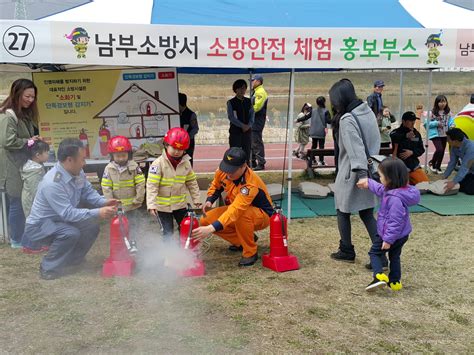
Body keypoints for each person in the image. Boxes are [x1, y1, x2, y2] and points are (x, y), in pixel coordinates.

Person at [22, 138, 118, 280]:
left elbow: (88, 192)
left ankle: (71, 261)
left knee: (91, 227)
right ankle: (48, 267)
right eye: (82, 159)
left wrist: (104, 202)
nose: (84, 163)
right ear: (69, 160)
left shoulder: (78, 173)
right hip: (39, 225)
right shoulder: (52, 183)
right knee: (70, 233)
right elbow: (68, 214)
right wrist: (98, 212)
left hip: (59, 220)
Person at [328, 79, 383, 267]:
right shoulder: (367, 110)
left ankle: (346, 249)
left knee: (342, 210)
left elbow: (355, 148)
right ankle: (381, 254)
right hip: (371, 168)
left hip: (352, 170)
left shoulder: (347, 119)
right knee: (367, 213)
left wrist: (361, 175)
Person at [192, 147, 273, 267]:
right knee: (205, 220)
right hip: (237, 210)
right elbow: (216, 185)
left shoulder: (250, 184)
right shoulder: (223, 170)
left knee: (241, 214)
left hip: (262, 215)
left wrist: (211, 229)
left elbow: (236, 210)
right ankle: (241, 241)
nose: (228, 173)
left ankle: (250, 252)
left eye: (232, 170)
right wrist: (210, 199)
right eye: (226, 168)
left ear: (244, 166)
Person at [357, 158, 420, 292]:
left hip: (390, 234)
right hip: (402, 235)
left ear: (390, 178)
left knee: (374, 253)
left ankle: (379, 276)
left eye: (381, 176)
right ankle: (395, 282)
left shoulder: (394, 199)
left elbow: (395, 221)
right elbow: (380, 188)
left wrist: (388, 239)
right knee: (395, 256)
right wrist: (368, 182)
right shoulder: (397, 190)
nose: (379, 179)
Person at [0, 79, 40, 248]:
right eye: (27, 96)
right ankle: (16, 239)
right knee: (16, 200)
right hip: (11, 165)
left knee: (25, 199)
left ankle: (25, 236)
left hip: (23, 163)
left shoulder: (25, 114)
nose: (31, 100)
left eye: (33, 96)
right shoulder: (7, 116)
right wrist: (29, 141)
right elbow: (7, 141)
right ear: (17, 94)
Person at [147, 127, 201, 239]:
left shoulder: (186, 164)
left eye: (180, 149)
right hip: (163, 207)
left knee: (186, 227)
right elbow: (152, 186)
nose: (177, 152)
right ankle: (169, 253)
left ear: (185, 150)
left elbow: (192, 182)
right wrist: (151, 204)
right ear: (166, 145)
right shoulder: (158, 164)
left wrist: (196, 199)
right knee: (167, 232)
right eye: (174, 148)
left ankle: (184, 250)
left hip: (180, 205)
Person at [101, 135, 146, 242]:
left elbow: (140, 183)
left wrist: (138, 199)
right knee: (119, 227)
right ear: (112, 156)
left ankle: (134, 245)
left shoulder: (135, 167)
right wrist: (110, 203)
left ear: (128, 154)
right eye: (118, 156)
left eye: (123, 155)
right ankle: (121, 247)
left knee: (134, 226)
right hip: (118, 207)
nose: (121, 158)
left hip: (133, 206)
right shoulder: (109, 169)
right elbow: (106, 187)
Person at [390, 111, 429, 185]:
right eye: (410, 120)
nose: (413, 122)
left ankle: (411, 181)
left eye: (414, 120)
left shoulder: (417, 134)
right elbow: (393, 136)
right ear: (404, 121)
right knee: (402, 186)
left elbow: (421, 149)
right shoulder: (396, 132)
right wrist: (405, 136)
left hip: (414, 166)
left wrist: (412, 152)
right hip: (400, 166)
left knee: (425, 184)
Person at [227, 79, 254, 164]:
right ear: (236, 89)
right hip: (235, 133)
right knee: (234, 155)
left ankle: (247, 173)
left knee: (246, 154)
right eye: (240, 88)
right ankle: (233, 173)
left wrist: (248, 126)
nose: (242, 90)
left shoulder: (249, 101)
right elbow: (231, 117)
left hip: (247, 133)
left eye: (244, 88)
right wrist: (242, 126)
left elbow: (252, 116)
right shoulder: (231, 102)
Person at [21, 139, 49, 219]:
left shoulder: (36, 166)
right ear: (37, 155)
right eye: (46, 152)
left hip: (33, 202)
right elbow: (35, 191)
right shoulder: (34, 171)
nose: (48, 154)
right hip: (32, 203)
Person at [426, 95, 452, 174]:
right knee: (439, 149)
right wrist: (436, 123)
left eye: (444, 101)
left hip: (445, 134)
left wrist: (452, 125)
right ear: (437, 103)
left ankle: (438, 167)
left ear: (446, 102)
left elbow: (451, 121)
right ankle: (432, 163)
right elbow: (427, 124)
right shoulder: (432, 113)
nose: (442, 103)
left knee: (442, 151)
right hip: (435, 134)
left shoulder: (448, 112)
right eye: (440, 102)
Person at [443, 128, 474, 195]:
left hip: (469, 169)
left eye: (448, 139)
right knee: (459, 186)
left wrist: (453, 182)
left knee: (470, 190)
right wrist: (443, 177)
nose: (447, 141)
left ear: (455, 141)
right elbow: (452, 163)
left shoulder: (471, 147)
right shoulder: (453, 147)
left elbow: (465, 166)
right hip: (471, 172)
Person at [250, 74, 268, 171]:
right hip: (253, 121)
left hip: (257, 121)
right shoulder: (255, 91)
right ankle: (252, 161)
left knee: (256, 142)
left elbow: (256, 107)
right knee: (252, 142)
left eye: (253, 80)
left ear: (258, 81)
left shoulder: (260, 92)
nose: (251, 82)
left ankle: (261, 163)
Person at [309, 96, 331, 165]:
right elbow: (328, 121)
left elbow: (306, 117)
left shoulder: (313, 110)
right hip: (321, 132)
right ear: (324, 102)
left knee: (314, 145)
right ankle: (321, 161)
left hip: (314, 131)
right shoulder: (326, 111)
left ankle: (312, 159)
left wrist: (298, 120)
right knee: (321, 146)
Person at [178, 93, 199, 166]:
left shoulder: (191, 114)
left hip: (188, 144)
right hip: (177, 144)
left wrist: (187, 137)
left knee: (188, 162)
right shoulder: (175, 114)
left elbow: (195, 129)